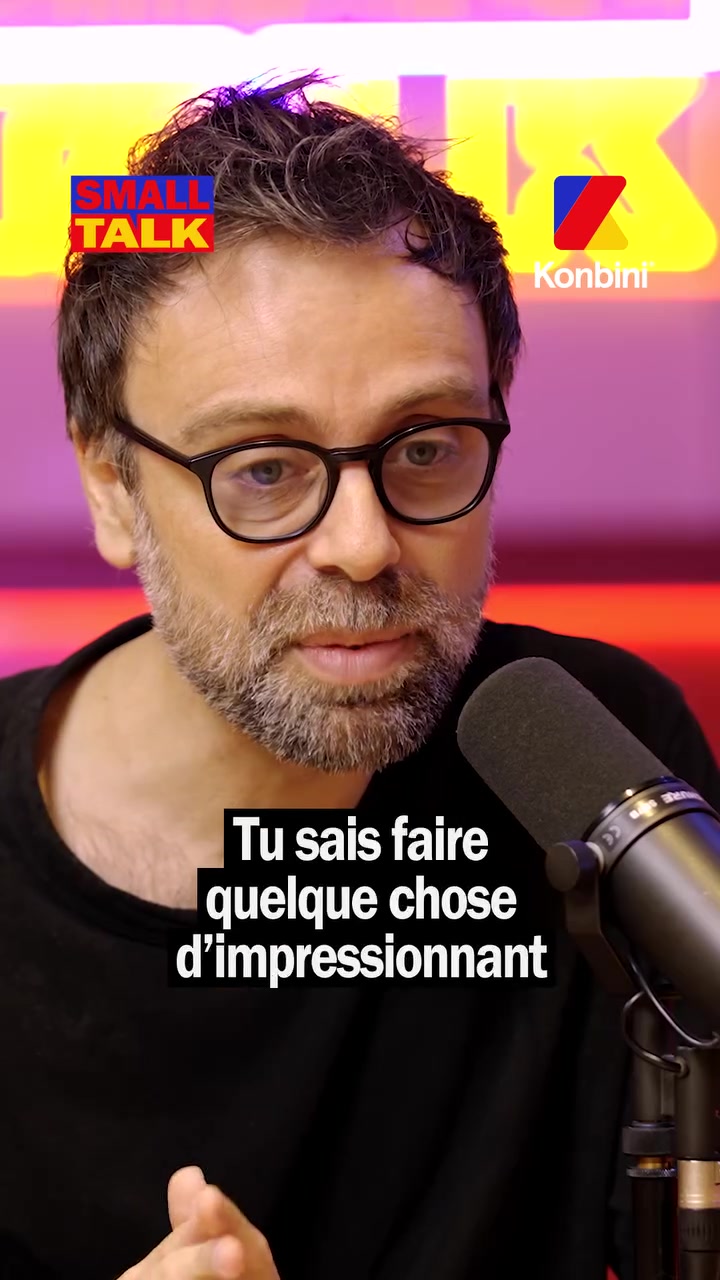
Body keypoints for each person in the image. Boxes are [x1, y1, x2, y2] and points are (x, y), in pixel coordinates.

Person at [0, 73, 717, 1280]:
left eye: (425, 447)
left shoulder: (592, 751)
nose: (365, 543)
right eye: (265, 468)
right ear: (112, 487)